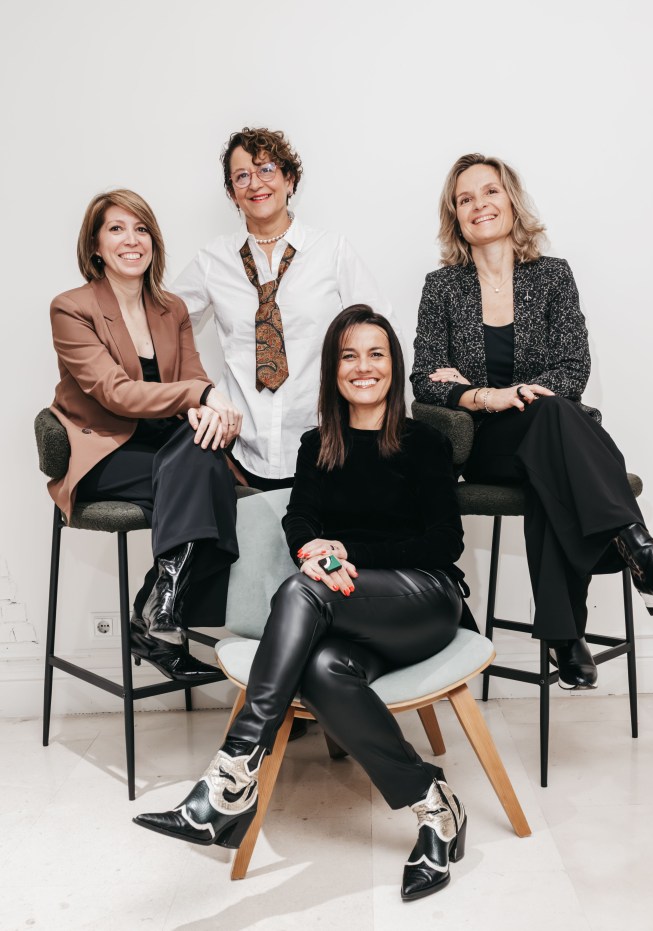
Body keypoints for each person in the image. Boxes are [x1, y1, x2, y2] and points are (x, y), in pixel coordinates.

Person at [134, 306, 473, 901]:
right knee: (320, 670)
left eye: (376, 354)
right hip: (348, 602)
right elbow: (301, 518)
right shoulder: (319, 443)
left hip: (423, 600)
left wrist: (347, 552)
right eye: (349, 356)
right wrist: (312, 550)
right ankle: (434, 804)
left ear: (393, 365)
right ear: (333, 370)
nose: (363, 367)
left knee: (300, 589)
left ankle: (232, 775)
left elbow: (446, 541)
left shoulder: (425, 441)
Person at [411, 153, 653, 690]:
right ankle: (641, 555)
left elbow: (574, 366)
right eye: (465, 199)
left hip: (549, 437)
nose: (479, 204)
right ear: (454, 215)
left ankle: (564, 638)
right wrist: (487, 396)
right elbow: (424, 378)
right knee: (554, 422)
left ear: (512, 201)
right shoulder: (442, 288)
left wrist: (511, 393)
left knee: (548, 458)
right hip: (488, 444)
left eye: (490, 191)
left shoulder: (552, 276)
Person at [48, 189, 242, 684]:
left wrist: (214, 410)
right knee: (210, 475)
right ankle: (156, 616)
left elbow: (194, 376)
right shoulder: (71, 308)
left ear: (153, 241)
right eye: (116, 229)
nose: (131, 240)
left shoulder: (171, 308)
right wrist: (201, 397)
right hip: (106, 452)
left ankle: (156, 616)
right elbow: (115, 393)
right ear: (95, 246)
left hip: (168, 450)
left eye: (141, 229)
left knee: (205, 453)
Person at [172, 126, 391, 492]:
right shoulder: (213, 261)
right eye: (242, 176)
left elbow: (383, 334)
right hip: (238, 449)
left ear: (289, 180)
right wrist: (199, 395)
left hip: (326, 445)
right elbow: (160, 328)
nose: (255, 183)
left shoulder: (332, 252)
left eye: (267, 169)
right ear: (232, 193)